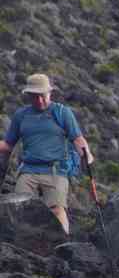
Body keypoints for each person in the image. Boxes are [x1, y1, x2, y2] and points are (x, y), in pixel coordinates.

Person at [0, 73, 95, 234]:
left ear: (50, 93)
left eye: (43, 96)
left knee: (57, 209)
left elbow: (77, 139)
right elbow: (8, 145)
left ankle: (63, 245)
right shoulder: (21, 116)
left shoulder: (62, 112)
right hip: (28, 171)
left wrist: (87, 154)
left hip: (55, 171)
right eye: (35, 97)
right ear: (28, 95)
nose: (40, 101)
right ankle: (22, 246)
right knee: (18, 208)